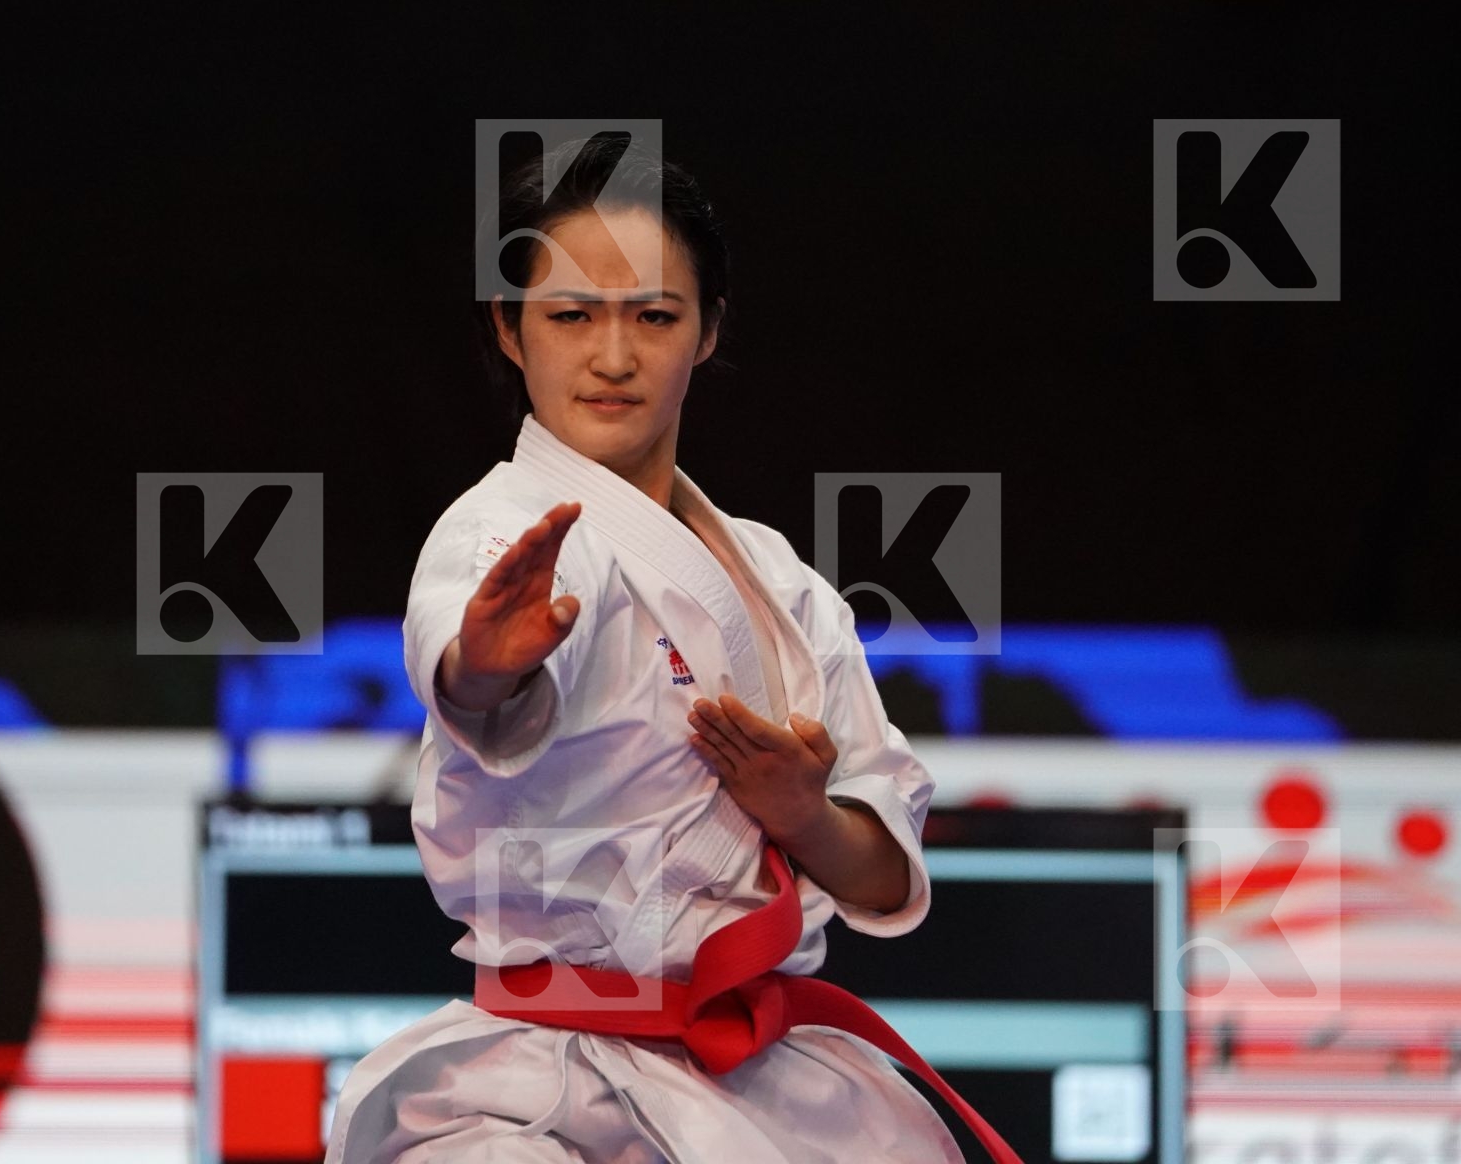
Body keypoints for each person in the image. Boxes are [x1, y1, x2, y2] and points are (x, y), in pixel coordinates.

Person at [326, 136, 996, 1164]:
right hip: (530, 1076)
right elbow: (467, 679)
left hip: (766, 1077)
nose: (612, 356)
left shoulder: (783, 586)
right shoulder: (499, 536)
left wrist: (808, 815)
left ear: (709, 331)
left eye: (653, 316)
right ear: (510, 331)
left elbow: (878, 875)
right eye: (570, 316)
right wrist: (487, 664)